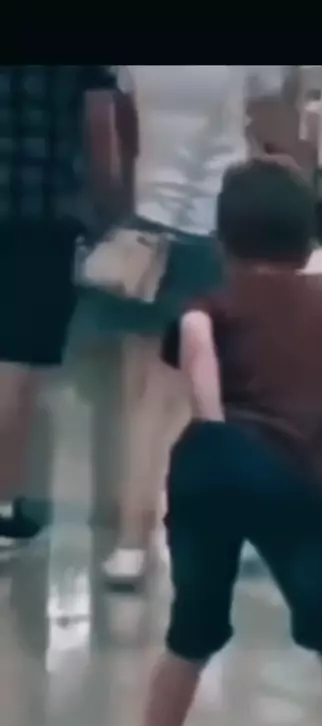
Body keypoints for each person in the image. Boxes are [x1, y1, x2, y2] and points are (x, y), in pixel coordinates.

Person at [138, 158, 322, 726]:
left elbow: (196, 343)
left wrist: (213, 425)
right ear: (309, 244)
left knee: (190, 636)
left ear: (222, 242)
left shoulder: (211, 303)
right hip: (297, 482)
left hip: (210, 470)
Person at [102, 66, 301, 586]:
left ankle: (131, 543)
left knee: (143, 399)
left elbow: (123, 125)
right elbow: (280, 122)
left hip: (150, 232)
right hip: (224, 232)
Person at [0, 66, 121, 549]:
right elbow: (99, 132)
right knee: (17, 364)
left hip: (40, 213)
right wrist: (111, 213)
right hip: (43, 215)